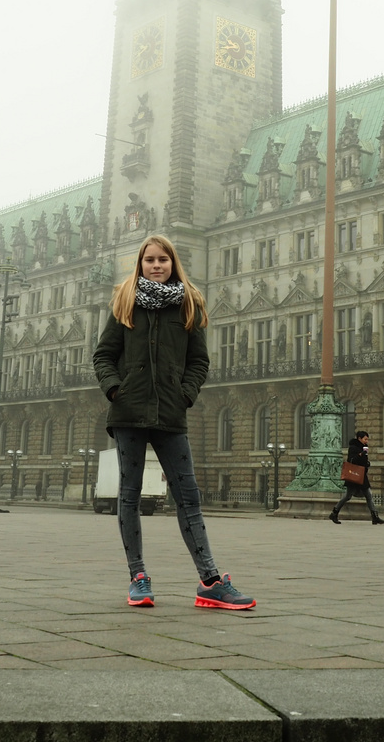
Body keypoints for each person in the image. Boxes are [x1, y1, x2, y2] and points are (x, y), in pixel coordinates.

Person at [94, 234, 254, 610]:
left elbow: (200, 360)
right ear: (140, 264)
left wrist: (186, 394)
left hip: (170, 413)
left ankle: (211, 581)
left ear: (173, 263)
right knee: (130, 497)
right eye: (149, 259)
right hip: (129, 412)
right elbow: (104, 355)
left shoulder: (189, 305)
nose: (156, 265)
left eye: (163, 259)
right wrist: (116, 389)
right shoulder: (124, 302)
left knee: (189, 497)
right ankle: (138, 578)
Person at [330, 431, 384, 525]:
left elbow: (364, 462)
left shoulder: (364, 448)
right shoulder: (353, 448)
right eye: (365, 439)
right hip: (354, 475)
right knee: (348, 496)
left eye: (367, 439)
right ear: (359, 439)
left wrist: (367, 463)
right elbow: (351, 460)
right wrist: (360, 454)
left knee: (368, 495)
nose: (366, 441)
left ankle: (375, 517)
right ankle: (334, 512)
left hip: (362, 475)